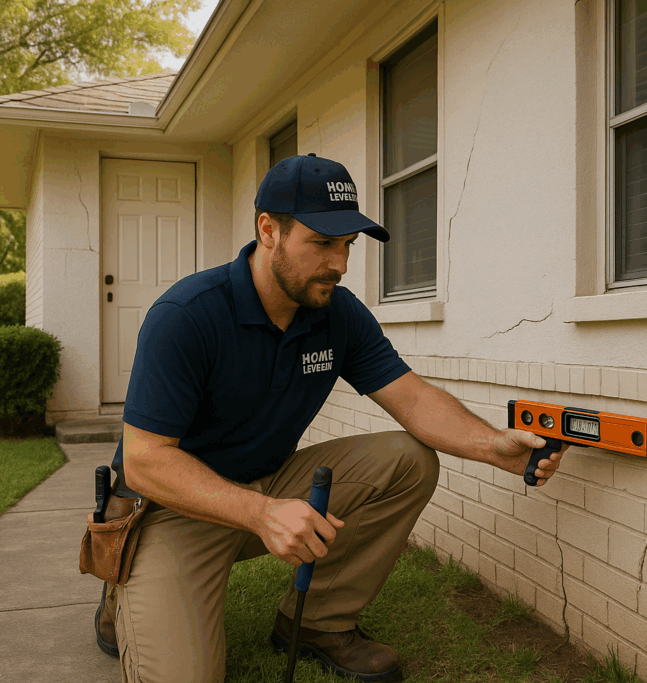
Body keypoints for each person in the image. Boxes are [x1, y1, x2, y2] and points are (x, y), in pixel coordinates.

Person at [94, 153, 565, 683]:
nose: (340, 264)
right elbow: (146, 461)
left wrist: (492, 445)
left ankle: (315, 622)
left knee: (406, 460)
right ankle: (123, 590)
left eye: (348, 246)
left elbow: (410, 398)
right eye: (322, 244)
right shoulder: (187, 316)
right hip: (175, 507)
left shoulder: (335, 312)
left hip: (269, 483)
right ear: (268, 230)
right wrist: (262, 514)